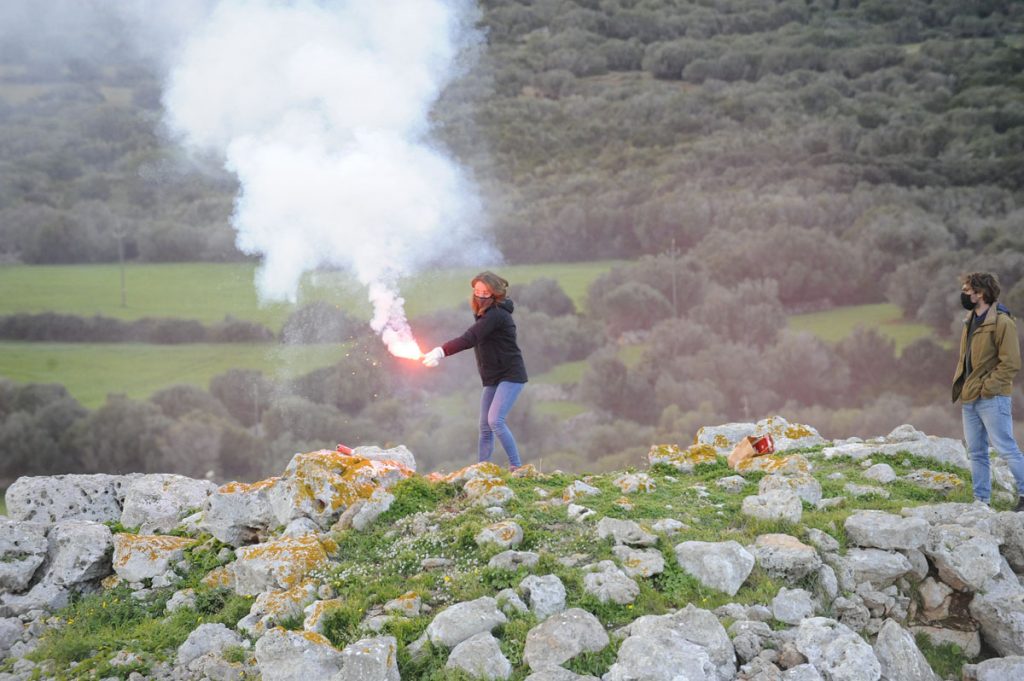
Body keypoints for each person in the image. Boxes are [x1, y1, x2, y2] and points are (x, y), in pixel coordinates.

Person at [422, 271, 528, 470]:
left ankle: (517, 467)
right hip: (492, 377)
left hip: (511, 375)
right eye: (477, 291)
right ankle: (482, 468)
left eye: (485, 292)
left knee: (495, 420)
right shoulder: (485, 313)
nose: (480, 295)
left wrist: (440, 351)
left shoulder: (496, 314)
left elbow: (469, 339)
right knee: (484, 427)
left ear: (495, 293)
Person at [951, 272, 1024, 511]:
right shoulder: (969, 319)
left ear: (980, 293)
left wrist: (987, 388)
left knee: (1006, 449)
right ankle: (981, 502)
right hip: (969, 397)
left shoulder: (1002, 322)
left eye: (967, 290)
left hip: (992, 397)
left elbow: (1011, 362)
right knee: (977, 452)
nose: (964, 293)